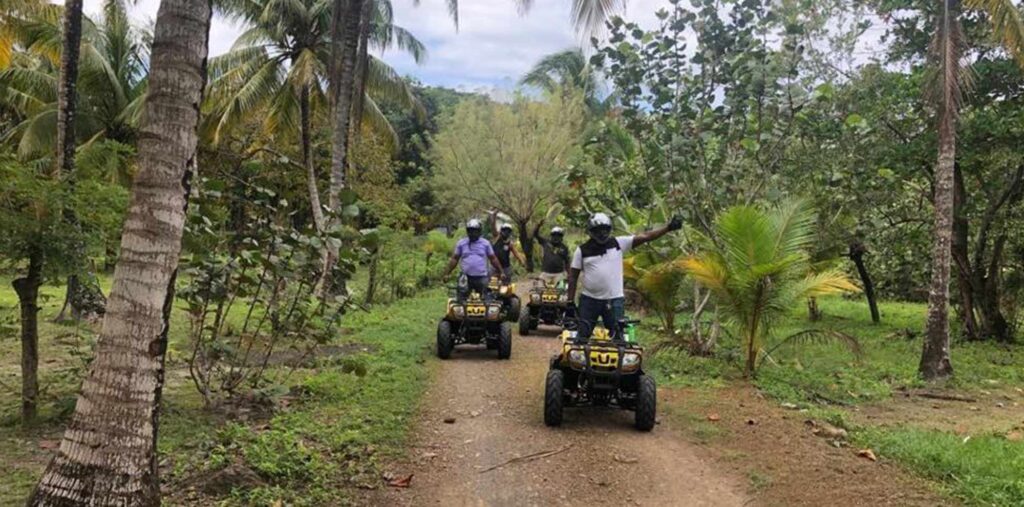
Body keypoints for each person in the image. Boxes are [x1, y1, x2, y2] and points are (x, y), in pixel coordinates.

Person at [567, 212, 682, 342]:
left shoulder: (618, 243)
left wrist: (668, 228)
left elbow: (645, 236)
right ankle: (577, 361)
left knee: (618, 336)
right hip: (589, 300)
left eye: (605, 230)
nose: (602, 234)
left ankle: (619, 361)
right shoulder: (582, 250)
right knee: (583, 335)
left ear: (609, 230)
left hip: (614, 300)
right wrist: (570, 302)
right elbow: (572, 277)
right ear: (591, 232)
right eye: (598, 231)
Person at [442, 219, 504, 299]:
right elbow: (455, 259)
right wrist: (447, 273)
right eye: (470, 231)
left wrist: (501, 271)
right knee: (461, 299)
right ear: (467, 231)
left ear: (479, 232)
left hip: (482, 277)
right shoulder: (461, 243)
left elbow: (493, 258)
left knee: (486, 299)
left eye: (475, 231)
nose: (473, 233)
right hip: (465, 277)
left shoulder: (485, 243)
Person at [488, 212, 525, 280]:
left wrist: (521, 260)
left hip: (506, 268)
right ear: (501, 230)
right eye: (505, 230)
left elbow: (516, 253)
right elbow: (493, 227)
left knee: (506, 286)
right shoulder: (496, 237)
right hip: (494, 267)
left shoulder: (509, 243)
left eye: (508, 231)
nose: (506, 232)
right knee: (491, 285)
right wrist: (494, 216)